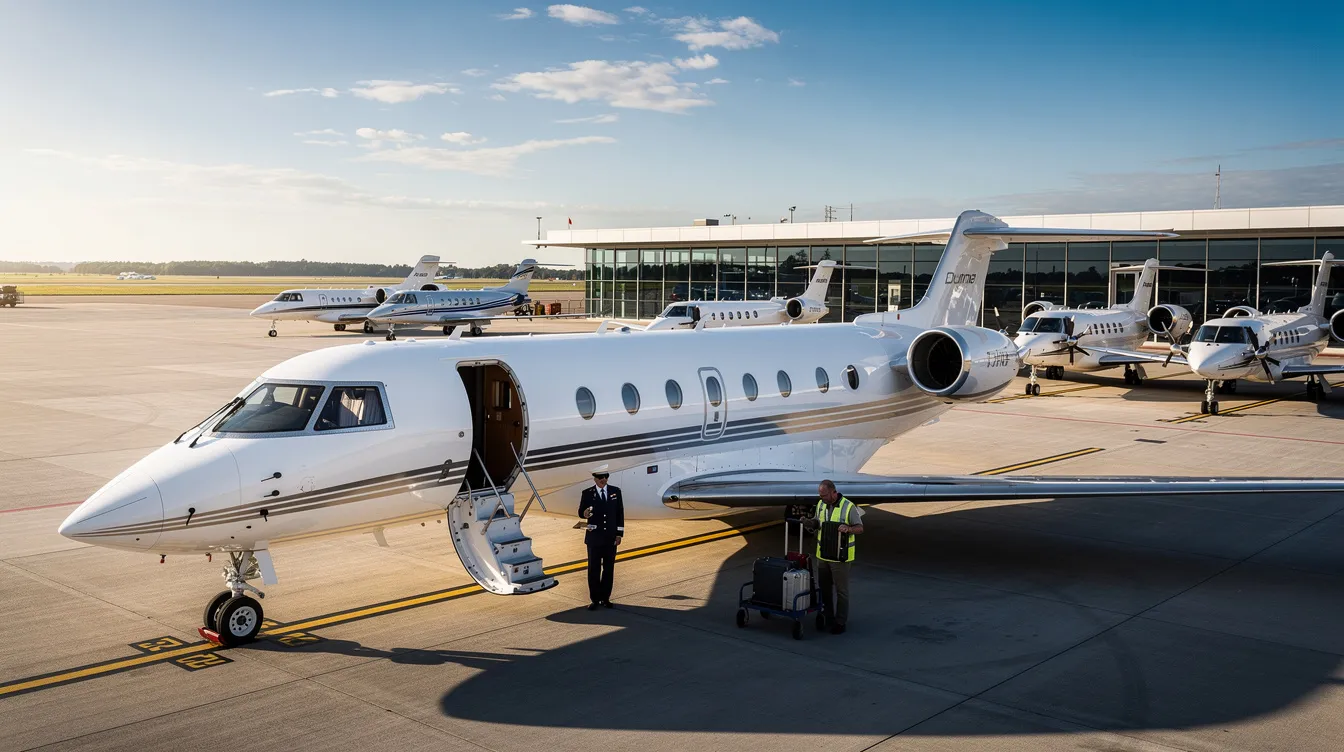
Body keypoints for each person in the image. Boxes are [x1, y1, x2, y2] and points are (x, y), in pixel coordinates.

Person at [804, 479, 863, 634]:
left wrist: (848, 529)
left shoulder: (848, 506)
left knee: (841, 591)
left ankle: (840, 622)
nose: (821, 498)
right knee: (824, 589)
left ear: (833, 492)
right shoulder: (821, 504)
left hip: (840, 558)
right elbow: (818, 522)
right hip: (823, 555)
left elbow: (860, 528)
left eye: (824, 495)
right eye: (820, 495)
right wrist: (810, 523)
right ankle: (827, 617)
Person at [578, 467, 624, 610]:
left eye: (605, 477)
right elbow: (581, 512)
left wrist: (619, 534)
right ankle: (595, 599)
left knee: (609, 569)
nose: (603, 480)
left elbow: (620, 513)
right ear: (595, 479)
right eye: (600, 478)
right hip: (594, 539)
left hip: (610, 538)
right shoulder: (587, 494)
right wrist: (584, 514)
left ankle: (605, 598)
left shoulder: (615, 492)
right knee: (594, 570)